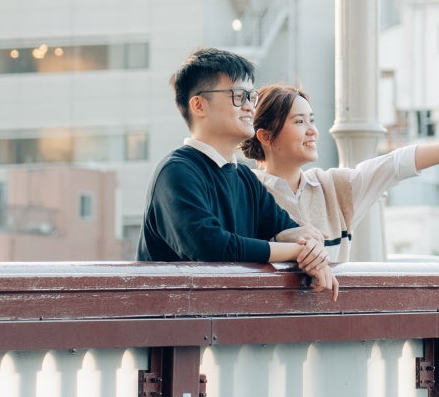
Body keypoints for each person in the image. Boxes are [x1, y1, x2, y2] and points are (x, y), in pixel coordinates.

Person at [242, 83, 439, 262]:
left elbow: (399, 163)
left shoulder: (335, 187)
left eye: (312, 120)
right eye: (299, 121)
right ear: (265, 136)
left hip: (331, 326)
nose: (312, 130)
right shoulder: (242, 191)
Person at [137, 48, 335, 288]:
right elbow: (212, 247)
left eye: (251, 97)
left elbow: (290, 230)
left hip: (227, 309)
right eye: (239, 96)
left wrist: (311, 248)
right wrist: (296, 251)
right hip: (175, 311)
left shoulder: (244, 177)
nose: (250, 107)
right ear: (199, 105)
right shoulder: (176, 173)